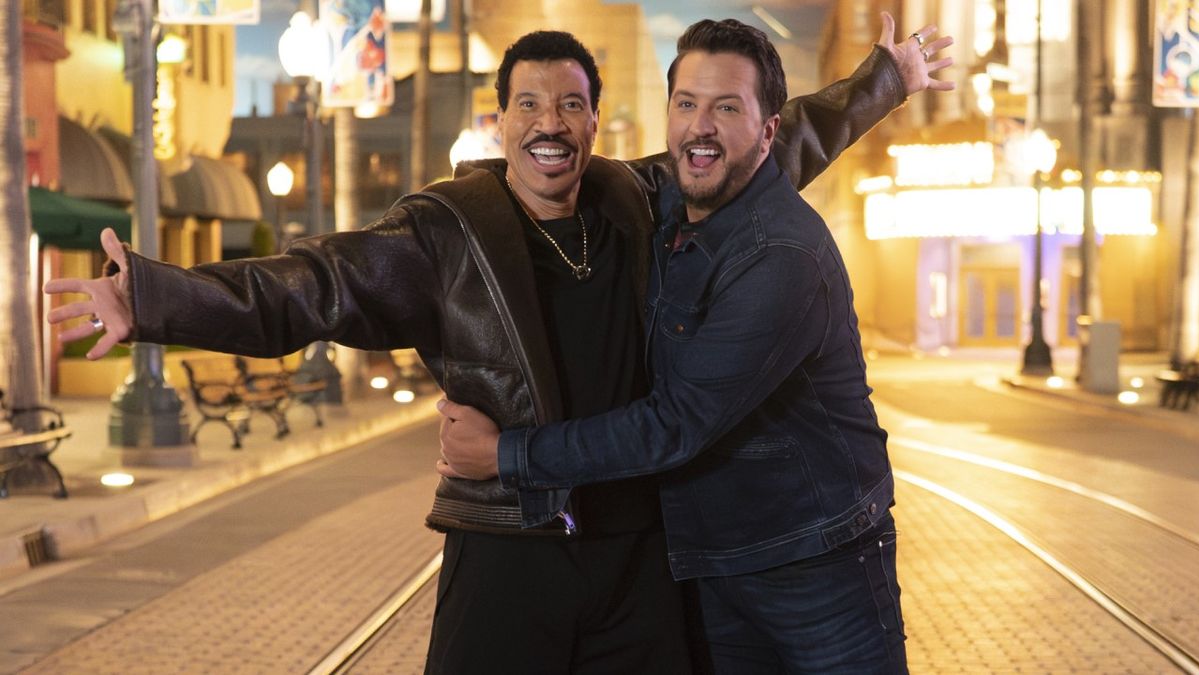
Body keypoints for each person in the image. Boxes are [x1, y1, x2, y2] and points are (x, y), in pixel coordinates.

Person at [45, 18, 950, 673]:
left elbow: (766, 150)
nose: (548, 122)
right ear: (501, 121)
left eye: (569, 103)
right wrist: (156, 300)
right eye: (527, 104)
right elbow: (314, 285)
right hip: (510, 546)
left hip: (639, 554)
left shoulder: (640, 200)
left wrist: (885, 79)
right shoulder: (445, 233)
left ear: (596, 121)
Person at [438, 18, 952, 673]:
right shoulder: (668, 201)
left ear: (764, 131)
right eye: (687, 104)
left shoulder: (781, 256)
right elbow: (792, 138)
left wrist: (503, 454)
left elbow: (675, 423)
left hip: (813, 561)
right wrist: (883, 81)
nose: (700, 126)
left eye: (727, 107)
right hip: (713, 563)